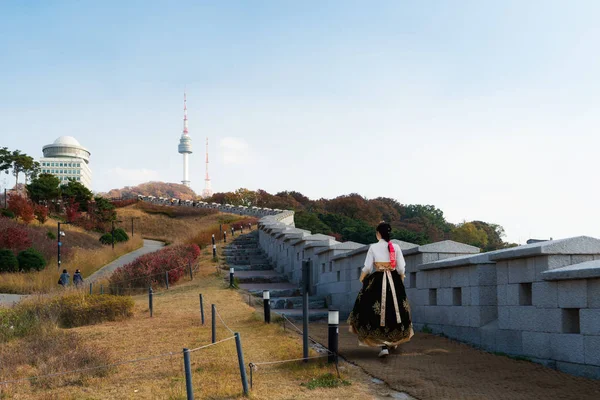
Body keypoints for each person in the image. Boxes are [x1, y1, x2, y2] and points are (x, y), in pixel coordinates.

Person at [348, 222, 414, 357]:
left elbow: (367, 267)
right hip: (394, 281)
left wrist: (363, 277)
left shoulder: (373, 247)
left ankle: (383, 346)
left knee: (374, 311)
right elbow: (401, 268)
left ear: (378, 233)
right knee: (396, 311)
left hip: (377, 282)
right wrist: (400, 277)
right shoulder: (396, 247)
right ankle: (393, 340)